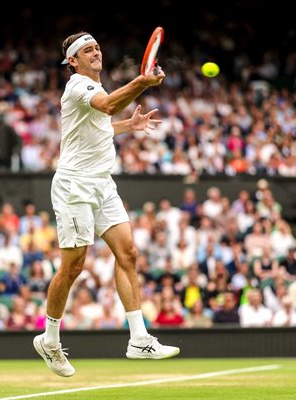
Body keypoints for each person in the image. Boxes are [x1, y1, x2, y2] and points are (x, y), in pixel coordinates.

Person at [33, 31, 179, 377]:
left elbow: (99, 125)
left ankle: (139, 338)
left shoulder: (94, 90)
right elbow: (109, 104)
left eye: (97, 47)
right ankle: (49, 339)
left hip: (102, 184)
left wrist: (129, 125)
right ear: (73, 60)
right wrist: (143, 82)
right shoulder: (77, 86)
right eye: (87, 50)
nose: (96, 52)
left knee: (127, 253)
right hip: (74, 187)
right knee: (73, 266)